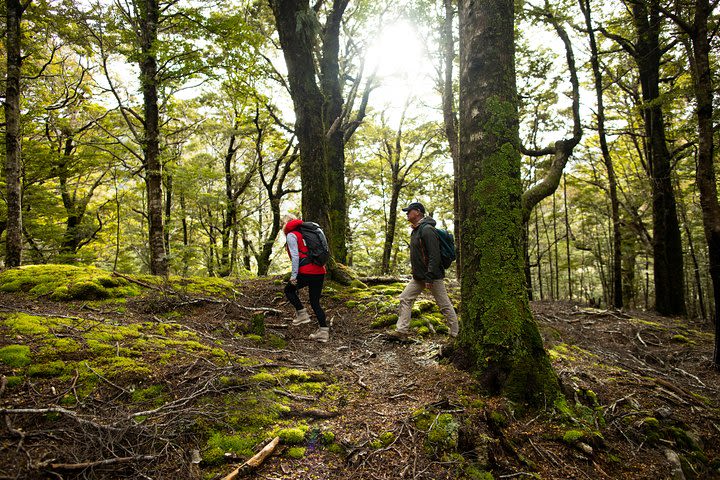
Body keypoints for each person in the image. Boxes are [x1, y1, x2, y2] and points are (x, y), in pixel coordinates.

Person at [394, 202, 459, 338]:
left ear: (417, 212)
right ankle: (401, 331)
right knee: (405, 298)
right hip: (418, 277)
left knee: (444, 305)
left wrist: (429, 276)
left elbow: (434, 255)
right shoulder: (416, 230)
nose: (407, 214)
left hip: (432, 276)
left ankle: (455, 334)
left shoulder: (427, 229)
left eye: (409, 211)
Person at [282, 215, 329, 343]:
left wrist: (293, 276)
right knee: (315, 303)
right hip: (320, 271)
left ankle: (302, 314)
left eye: (283, 222)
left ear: (286, 223)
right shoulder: (308, 233)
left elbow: (296, 257)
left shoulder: (292, 235)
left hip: (306, 271)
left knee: (288, 290)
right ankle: (324, 332)